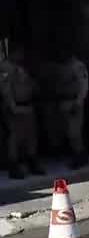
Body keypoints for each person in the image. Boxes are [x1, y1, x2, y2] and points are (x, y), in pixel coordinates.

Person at [0, 47, 44, 179]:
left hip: (28, 105)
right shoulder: (6, 67)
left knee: (31, 136)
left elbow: (31, 85)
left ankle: (32, 161)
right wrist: (12, 106)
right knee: (15, 138)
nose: (22, 55)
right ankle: (13, 166)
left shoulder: (24, 67)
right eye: (19, 52)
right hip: (16, 107)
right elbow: (5, 88)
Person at [60, 53, 89, 169]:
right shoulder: (64, 66)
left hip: (73, 102)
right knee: (69, 133)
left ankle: (80, 157)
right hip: (64, 102)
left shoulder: (78, 65)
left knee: (74, 133)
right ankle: (75, 155)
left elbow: (84, 86)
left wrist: (78, 103)